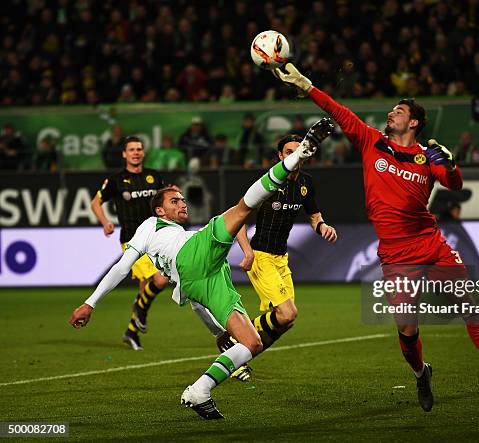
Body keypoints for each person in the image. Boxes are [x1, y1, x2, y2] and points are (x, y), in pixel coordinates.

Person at [273, 63, 479, 412]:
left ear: (414, 122)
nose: (391, 113)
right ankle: (421, 373)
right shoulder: (371, 140)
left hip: (430, 243)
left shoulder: (426, 156)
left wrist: (449, 165)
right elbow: (336, 109)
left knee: (468, 304)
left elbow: (454, 184)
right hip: (395, 253)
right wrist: (304, 84)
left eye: (399, 111)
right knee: (406, 328)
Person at [69, 118, 334, 419]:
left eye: (182, 199)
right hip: (193, 259)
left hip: (202, 277)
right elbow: (121, 267)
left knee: (251, 343)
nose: (182, 203)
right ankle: (300, 154)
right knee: (241, 208)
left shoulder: (186, 234)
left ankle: (199, 390)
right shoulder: (151, 226)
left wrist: (216, 331)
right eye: (174, 200)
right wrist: (90, 303)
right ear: (159, 210)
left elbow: (194, 297)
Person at [199, 134, 338, 380]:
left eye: (299, 150)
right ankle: (231, 339)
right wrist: (247, 252)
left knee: (286, 322)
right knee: (287, 314)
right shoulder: (269, 183)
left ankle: (238, 357)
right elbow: (237, 217)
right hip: (261, 256)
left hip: (281, 259)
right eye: (289, 152)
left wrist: (323, 227)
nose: (294, 155)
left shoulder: (306, 183)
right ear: (281, 156)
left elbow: (314, 216)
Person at [91, 135, 169, 350]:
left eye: (139, 149)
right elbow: (96, 202)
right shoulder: (116, 180)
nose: (136, 152)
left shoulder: (154, 176)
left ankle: (131, 331)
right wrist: (105, 222)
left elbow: (166, 198)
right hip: (132, 241)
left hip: (157, 238)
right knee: (159, 281)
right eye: (132, 149)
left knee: (148, 288)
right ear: (124, 154)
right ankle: (137, 319)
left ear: (143, 153)